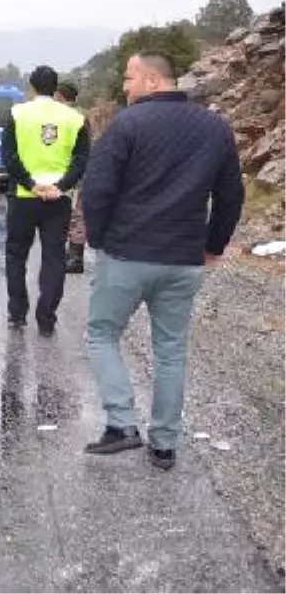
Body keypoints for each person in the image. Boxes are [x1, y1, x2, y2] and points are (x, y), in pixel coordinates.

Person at [81, 51, 243, 470]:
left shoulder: (126, 124)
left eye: (129, 77)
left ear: (154, 80)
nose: (124, 85)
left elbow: (97, 190)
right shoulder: (215, 128)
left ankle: (121, 424)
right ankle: (165, 444)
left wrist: (98, 240)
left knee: (102, 333)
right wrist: (214, 246)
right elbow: (231, 195)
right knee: (170, 351)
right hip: (184, 258)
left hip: (127, 254)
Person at [0, 65, 89, 336]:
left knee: (16, 255)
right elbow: (81, 159)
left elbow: (9, 156)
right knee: (53, 258)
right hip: (57, 200)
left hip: (24, 197)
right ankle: (46, 318)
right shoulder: (75, 118)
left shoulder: (18, 113)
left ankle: (17, 314)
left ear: (32, 87)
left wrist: (30, 183)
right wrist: (60, 186)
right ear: (56, 87)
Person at [54, 81, 90, 274]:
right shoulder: (79, 115)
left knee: (76, 214)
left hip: (72, 171)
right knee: (74, 213)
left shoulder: (72, 117)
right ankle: (72, 254)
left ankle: (75, 257)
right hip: (74, 170)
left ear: (60, 95)